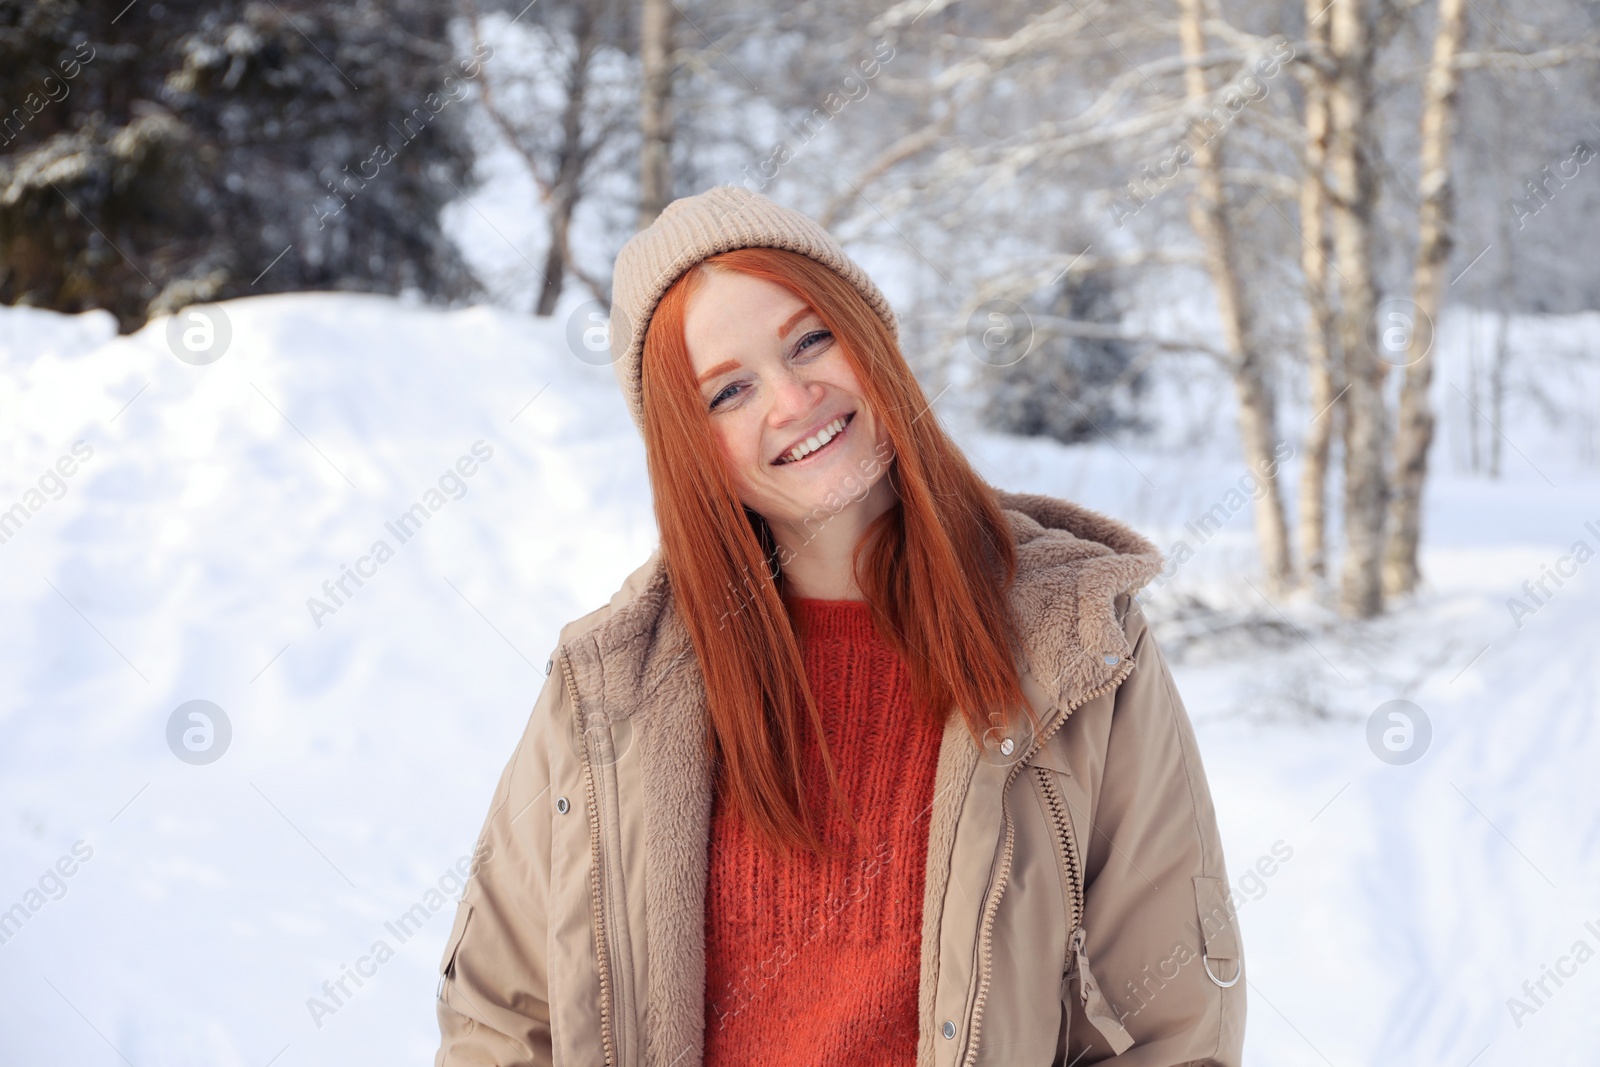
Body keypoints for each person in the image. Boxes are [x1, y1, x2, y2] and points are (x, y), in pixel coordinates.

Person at [434, 185, 1245, 1066]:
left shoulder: (1078, 644)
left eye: (810, 339)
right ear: (687, 448)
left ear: (871, 336)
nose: (791, 399)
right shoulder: (609, 683)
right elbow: (499, 1020)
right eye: (729, 390)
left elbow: (1169, 1027)